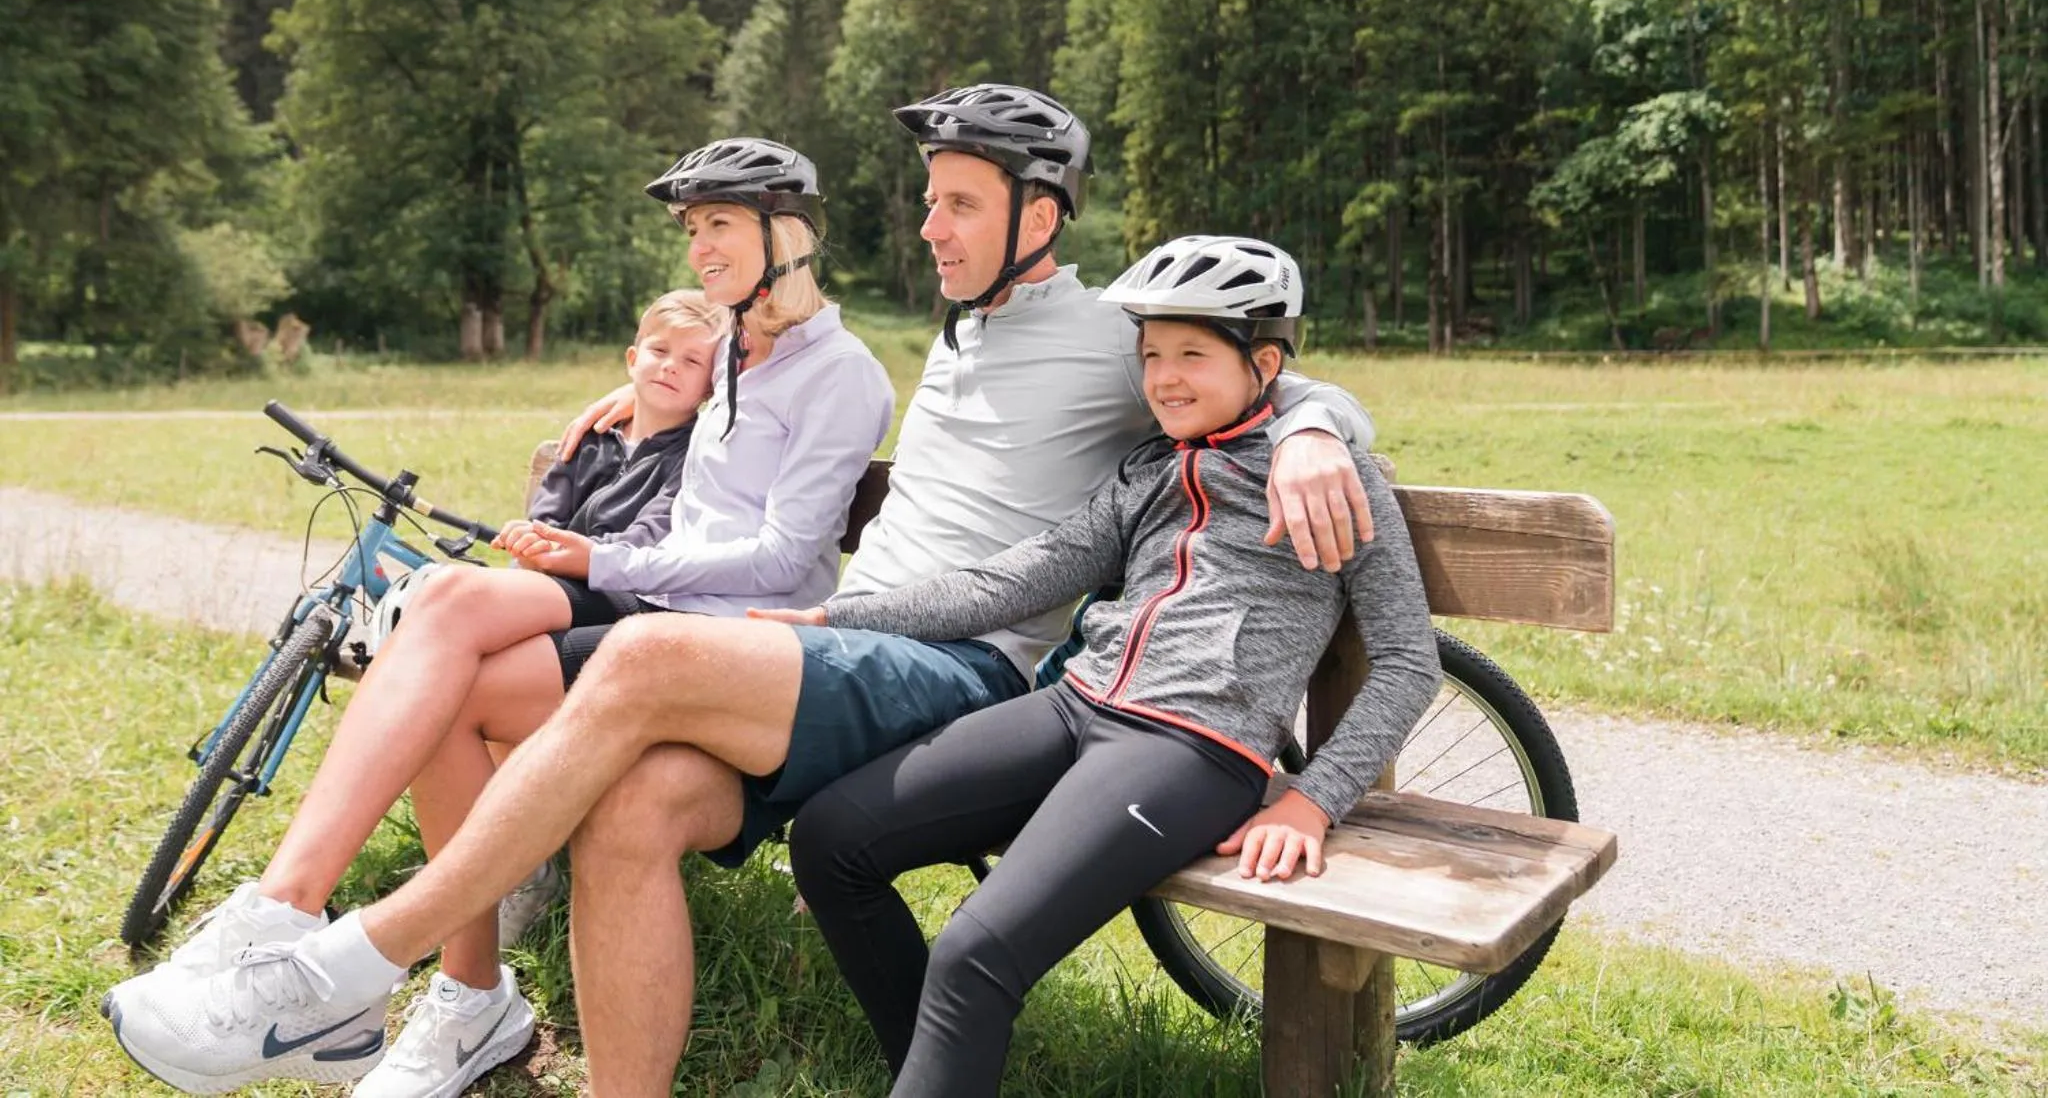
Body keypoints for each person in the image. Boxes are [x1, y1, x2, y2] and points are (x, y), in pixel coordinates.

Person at [103, 84, 1380, 1098]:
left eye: (956, 204)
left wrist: (1320, 427)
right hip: (853, 649)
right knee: (606, 787)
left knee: (646, 662)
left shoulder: (1109, 331)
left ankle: (341, 962)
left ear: (1036, 218)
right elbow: (734, 362)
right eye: (926, 201)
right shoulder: (960, 326)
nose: (926, 227)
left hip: (964, 669)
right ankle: (461, 999)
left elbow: (1254, 367)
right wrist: (639, 398)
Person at [104, 137, 894, 1098]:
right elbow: (683, 379)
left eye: (717, 225)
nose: (698, 251)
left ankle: (436, 981)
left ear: (788, 233)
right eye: (693, 230)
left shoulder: (842, 373)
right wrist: (626, 394)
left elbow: (777, 555)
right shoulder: (733, 346)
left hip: (723, 644)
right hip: (651, 604)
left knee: (450, 663)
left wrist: (606, 556)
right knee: (437, 623)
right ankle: (321, 924)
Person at [769, 235, 1442, 1095]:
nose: (1163, 376)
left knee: (975, 951)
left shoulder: (1324, 476)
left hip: (1189, 746)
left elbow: (1406, 659)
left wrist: (1313, 799)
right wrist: (835, 614)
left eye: (1192, 354)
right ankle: (934, 1071)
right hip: (1075, 706)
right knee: (832, 839)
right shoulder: (1147, 470)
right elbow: (1009, 582)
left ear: (1264, 361)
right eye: (1152, 353)